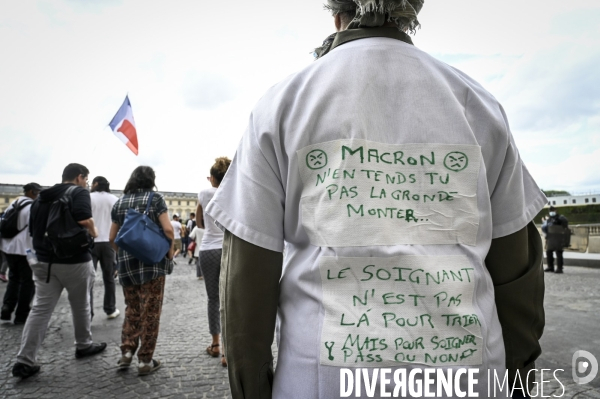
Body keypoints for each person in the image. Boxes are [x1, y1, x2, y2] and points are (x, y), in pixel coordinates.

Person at [205, 2, 548, 398]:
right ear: (410, 13)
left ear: (337, 14)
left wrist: (252, 388)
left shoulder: (282, 103)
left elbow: (247, 278)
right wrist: (520, 379)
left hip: (321, 380)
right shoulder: (478, 105)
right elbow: (517, 273)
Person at [13, 164, 107, 379]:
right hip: (74, 260)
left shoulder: (42, 196)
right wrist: (93, 232)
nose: (86, 183)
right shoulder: (79, 192)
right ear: (79, 177)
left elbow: (34, 228)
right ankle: (83, 345)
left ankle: (24, 360)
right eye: (85, 178)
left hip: (44, 261)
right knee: (81, 303)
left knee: (40, 309)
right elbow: (84, 218)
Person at [109, 166, 174, 376]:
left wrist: (125, 255)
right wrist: (169, 253)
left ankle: (126, 352)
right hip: (152, 265)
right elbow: (168, 229)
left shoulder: (119, 202)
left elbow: (112, 238)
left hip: (127, 267)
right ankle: (145, 360)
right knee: (151, 312)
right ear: (151, 180)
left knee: (132, 309)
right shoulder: (155, 199)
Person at [197, 157, 231, 368]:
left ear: (212, 178)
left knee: (213, 299)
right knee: (230, 299)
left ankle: (216, 344)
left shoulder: (204, 193)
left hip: (208, 248)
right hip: (229, 249)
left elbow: (199, 221)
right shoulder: (234, 193)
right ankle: (228, 352)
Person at [0, 183, 41, 325]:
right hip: (25, 249)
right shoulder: (33, 207)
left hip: (9, 247)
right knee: (27, 281)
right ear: (31, 191)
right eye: (37, 192)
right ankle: (22, 314)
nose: (38, 195)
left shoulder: (14, 203)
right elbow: (35, 229)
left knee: (14, 278)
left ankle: (7, 307)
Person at [90, 176, 120, 319]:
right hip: (108, 241)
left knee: (88, 279)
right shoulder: (114, 199)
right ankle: (110, 309)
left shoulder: (88, 198)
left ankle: (87, 312)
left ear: (96, 184)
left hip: (91, 241)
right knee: (109, 278)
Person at [541, 206, 569, 274]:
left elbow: (564, 225)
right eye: (550, 211)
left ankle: (559, 268)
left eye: (552, 210)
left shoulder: (561, 218)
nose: (551, 212)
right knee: (549, 252)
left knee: (558, 252)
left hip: (558, 237)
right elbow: (545, 228)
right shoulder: (549, 219)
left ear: (556, 210)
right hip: (551, 237)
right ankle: (550, 267)